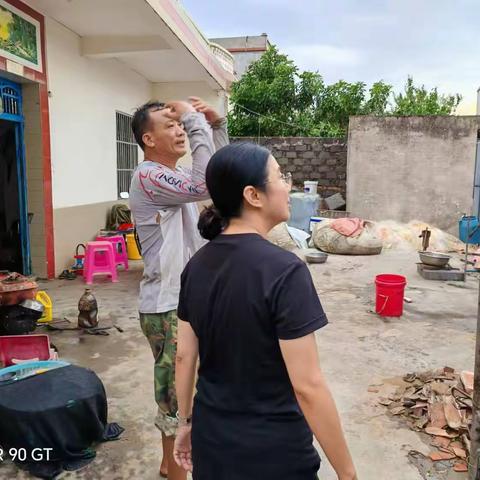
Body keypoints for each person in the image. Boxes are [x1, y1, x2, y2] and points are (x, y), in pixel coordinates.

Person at [173, 142, 357, 480]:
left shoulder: (196, 266)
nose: (288, 185)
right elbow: (308, 386)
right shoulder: (285, 271)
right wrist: (347, 473)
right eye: (280, 176)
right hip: (275, 455)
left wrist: (184, 422)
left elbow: (184, 356)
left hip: (212, 444)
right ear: (253, 196)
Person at [129, 97, 228, 479]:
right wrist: (192, 116)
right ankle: (176, 471)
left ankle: (169, 464)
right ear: (148, 139)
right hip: (167, 306)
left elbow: (220, 181)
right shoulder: (150, 176)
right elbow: (204, 182)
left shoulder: (175, 181)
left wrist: (215, 127)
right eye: (168, 126)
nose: (180, 130)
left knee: (186, 391)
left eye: (180, 125)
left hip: (185, 301)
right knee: (177, 399)